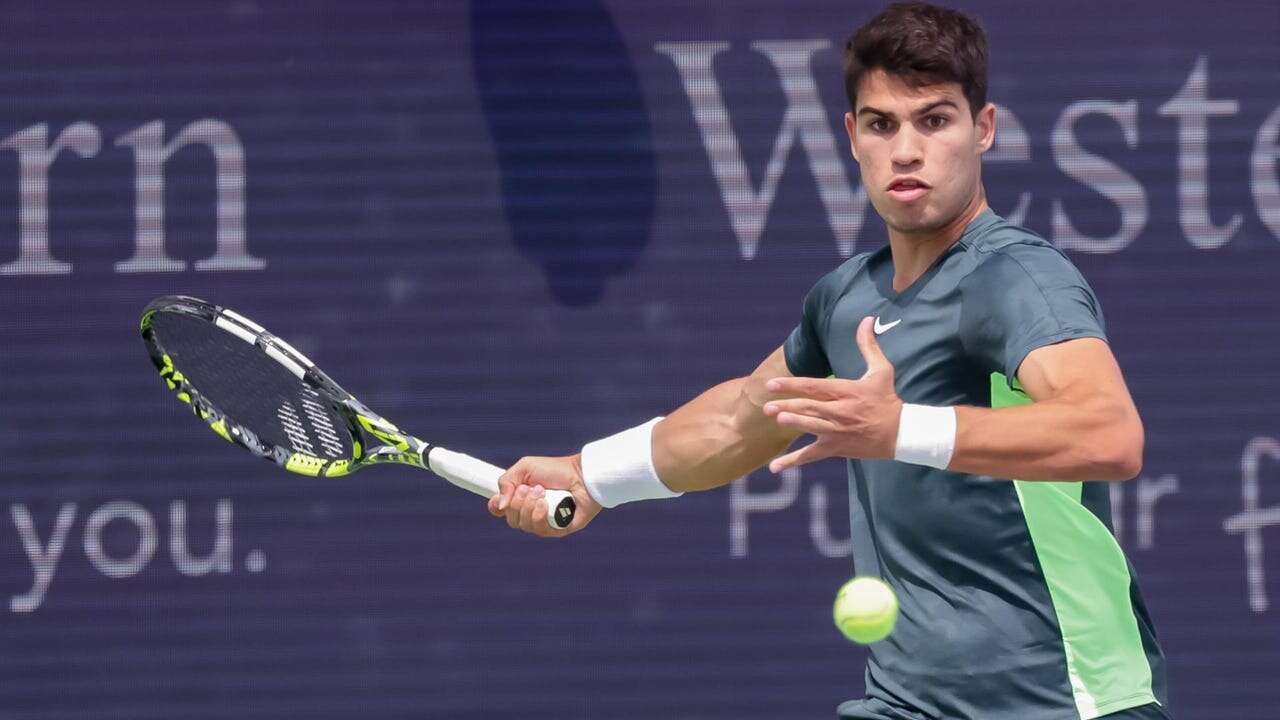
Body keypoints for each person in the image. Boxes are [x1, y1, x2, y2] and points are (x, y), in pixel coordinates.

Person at [487, 3, 1170, 718]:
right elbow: (744, 416)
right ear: (852, 136)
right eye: (881, 124)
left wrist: (901, 429)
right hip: (905, 705)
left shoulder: (1016, 278)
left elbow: (1108, 435)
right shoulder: (845, 300)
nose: (906, 150)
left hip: (1066, 704)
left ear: (984, 128)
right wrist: (591, 475)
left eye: (934, 120)